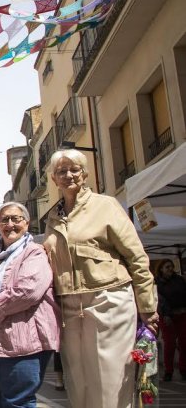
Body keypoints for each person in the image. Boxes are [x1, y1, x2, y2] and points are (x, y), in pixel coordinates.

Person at [43, 149, 158, 407]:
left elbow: (137, 257)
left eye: (74, 169)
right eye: (62, 171)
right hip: (69, 307)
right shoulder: (53, 216)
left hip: (109, 299)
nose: (69, 175)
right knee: (78, 382)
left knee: (110, 382)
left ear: (84, 174)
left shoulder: (105, 205)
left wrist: (148, 308)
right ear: (54, 179)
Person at [0, 202, 60, 408]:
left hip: (24, 340)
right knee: (0, 401)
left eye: (16, 219)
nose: (10, 224)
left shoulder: (34, 252)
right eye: (4, 219)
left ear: (27, 223)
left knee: (17, 402)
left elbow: (27, 291)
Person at [156, 259, 186, 381]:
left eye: (171, 267)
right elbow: (160, 300)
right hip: (167, 317)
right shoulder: (157, 282)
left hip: (182, 314)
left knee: (184, 343)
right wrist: (166, 314)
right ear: (161, 269)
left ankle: (184, 369)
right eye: (167, 267)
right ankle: (168, 371)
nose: (170, 269)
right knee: (169, 344)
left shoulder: (179, 280)